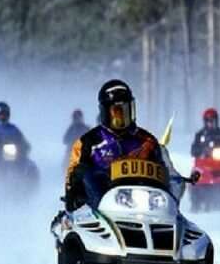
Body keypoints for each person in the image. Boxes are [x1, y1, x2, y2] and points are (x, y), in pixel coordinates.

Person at [65, 79, 162, 211]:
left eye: (127, 110)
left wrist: (176, 181)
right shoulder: (88, 142)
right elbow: (73, 176)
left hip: (145, 207)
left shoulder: (147, 140)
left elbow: (165, 172)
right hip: (102, 209)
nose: (122, 117)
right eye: (117, 112)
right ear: (105, 113)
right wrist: (74, 196)